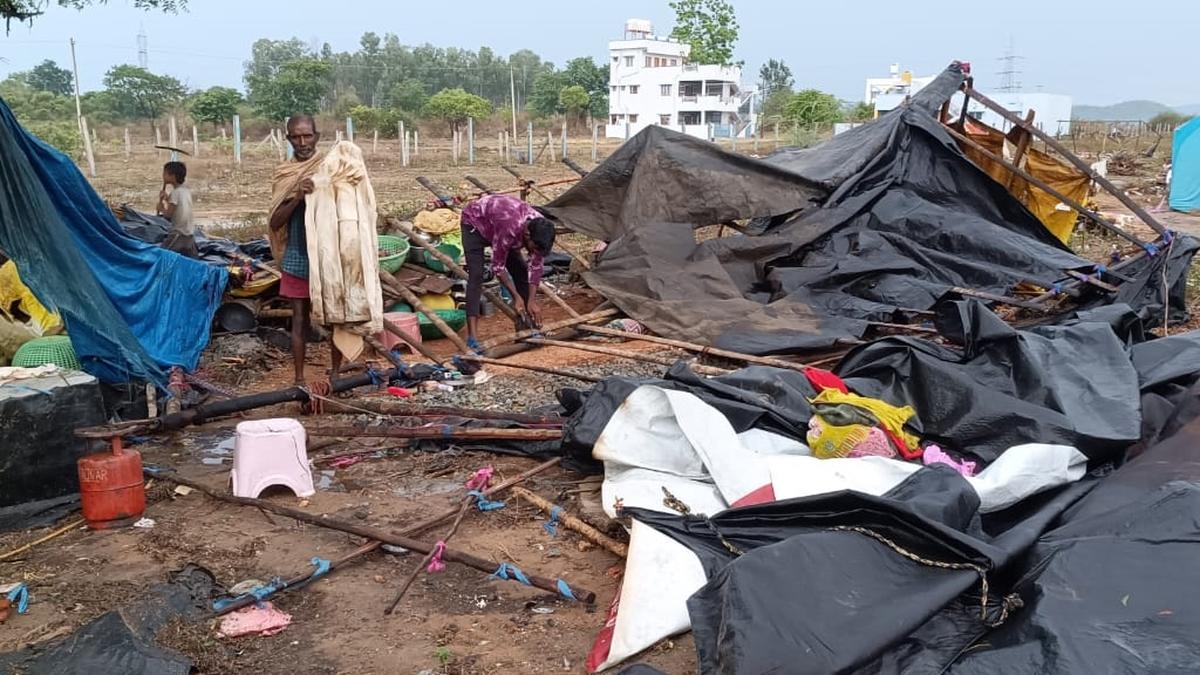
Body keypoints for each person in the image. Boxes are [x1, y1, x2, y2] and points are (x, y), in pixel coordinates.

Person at [267, 114, 341, 386]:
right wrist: (298, 196)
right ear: (288, 139)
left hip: (329, 257)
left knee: (335, 317)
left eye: (307, 135)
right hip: (298, 256)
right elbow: (275, 222)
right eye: (296, 137)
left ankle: (336, 373)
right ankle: (299, 379)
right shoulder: (285, 175)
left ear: (317, 136)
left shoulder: (331, 167)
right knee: (299, 320)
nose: (302, 142)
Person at [459, 193, 557, 350]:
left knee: (522, 272)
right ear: (527, 236)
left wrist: (531, 301)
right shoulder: (509, 228)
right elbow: (497, 266)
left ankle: (525, 330)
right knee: (476, 276)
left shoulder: (540, 229)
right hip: (475, 223)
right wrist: (516, 297)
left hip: (500, 226)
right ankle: (472, 338)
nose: (534, 251)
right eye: (533, 247)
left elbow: (536, 267)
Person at [156, 161, 198, 258]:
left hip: (178, 235)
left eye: (164, 173)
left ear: (172, 176)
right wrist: (166, 198)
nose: (163, 176)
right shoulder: (185, 191)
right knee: (191, 261)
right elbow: (178, 205)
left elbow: (168, 215)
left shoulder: (175, 193)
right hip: (189, 235)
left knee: (162, 257)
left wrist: (161, 208)